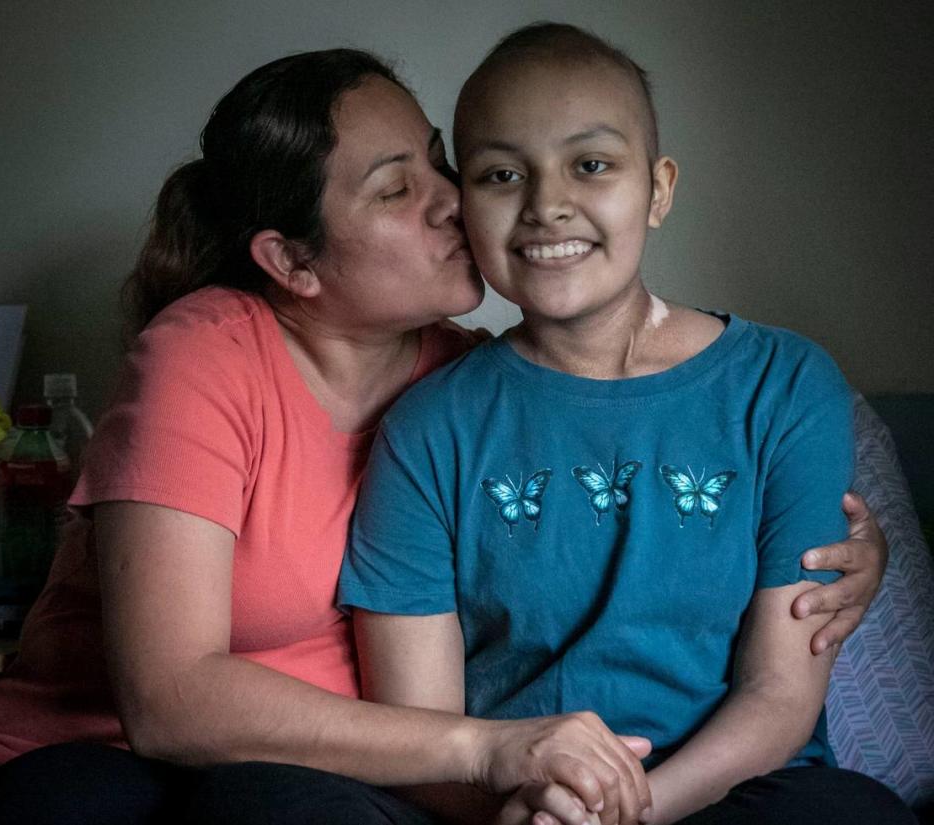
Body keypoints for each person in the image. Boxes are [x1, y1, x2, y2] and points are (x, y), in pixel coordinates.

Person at [0, 46, 886, 825]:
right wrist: (498, 760)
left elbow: (761, 644)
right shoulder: (219, 364)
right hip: (134, 755)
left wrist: (850, 548)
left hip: (394, 768)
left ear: (659, 188)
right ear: (291, 261)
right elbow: (170, 701)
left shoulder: (458, 368)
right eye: (399, 188)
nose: (456, 202)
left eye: (442, 166)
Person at [337, 24, 916, 825]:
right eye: (502, 174)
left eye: (592, 164)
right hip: (518, 807)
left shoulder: (785, 385)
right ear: (465, 203)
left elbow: (780, 692)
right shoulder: (428, 429)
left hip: (736, 797)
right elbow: (423, 731)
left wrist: (629, 814)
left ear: (658, 188)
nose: (547, 204)